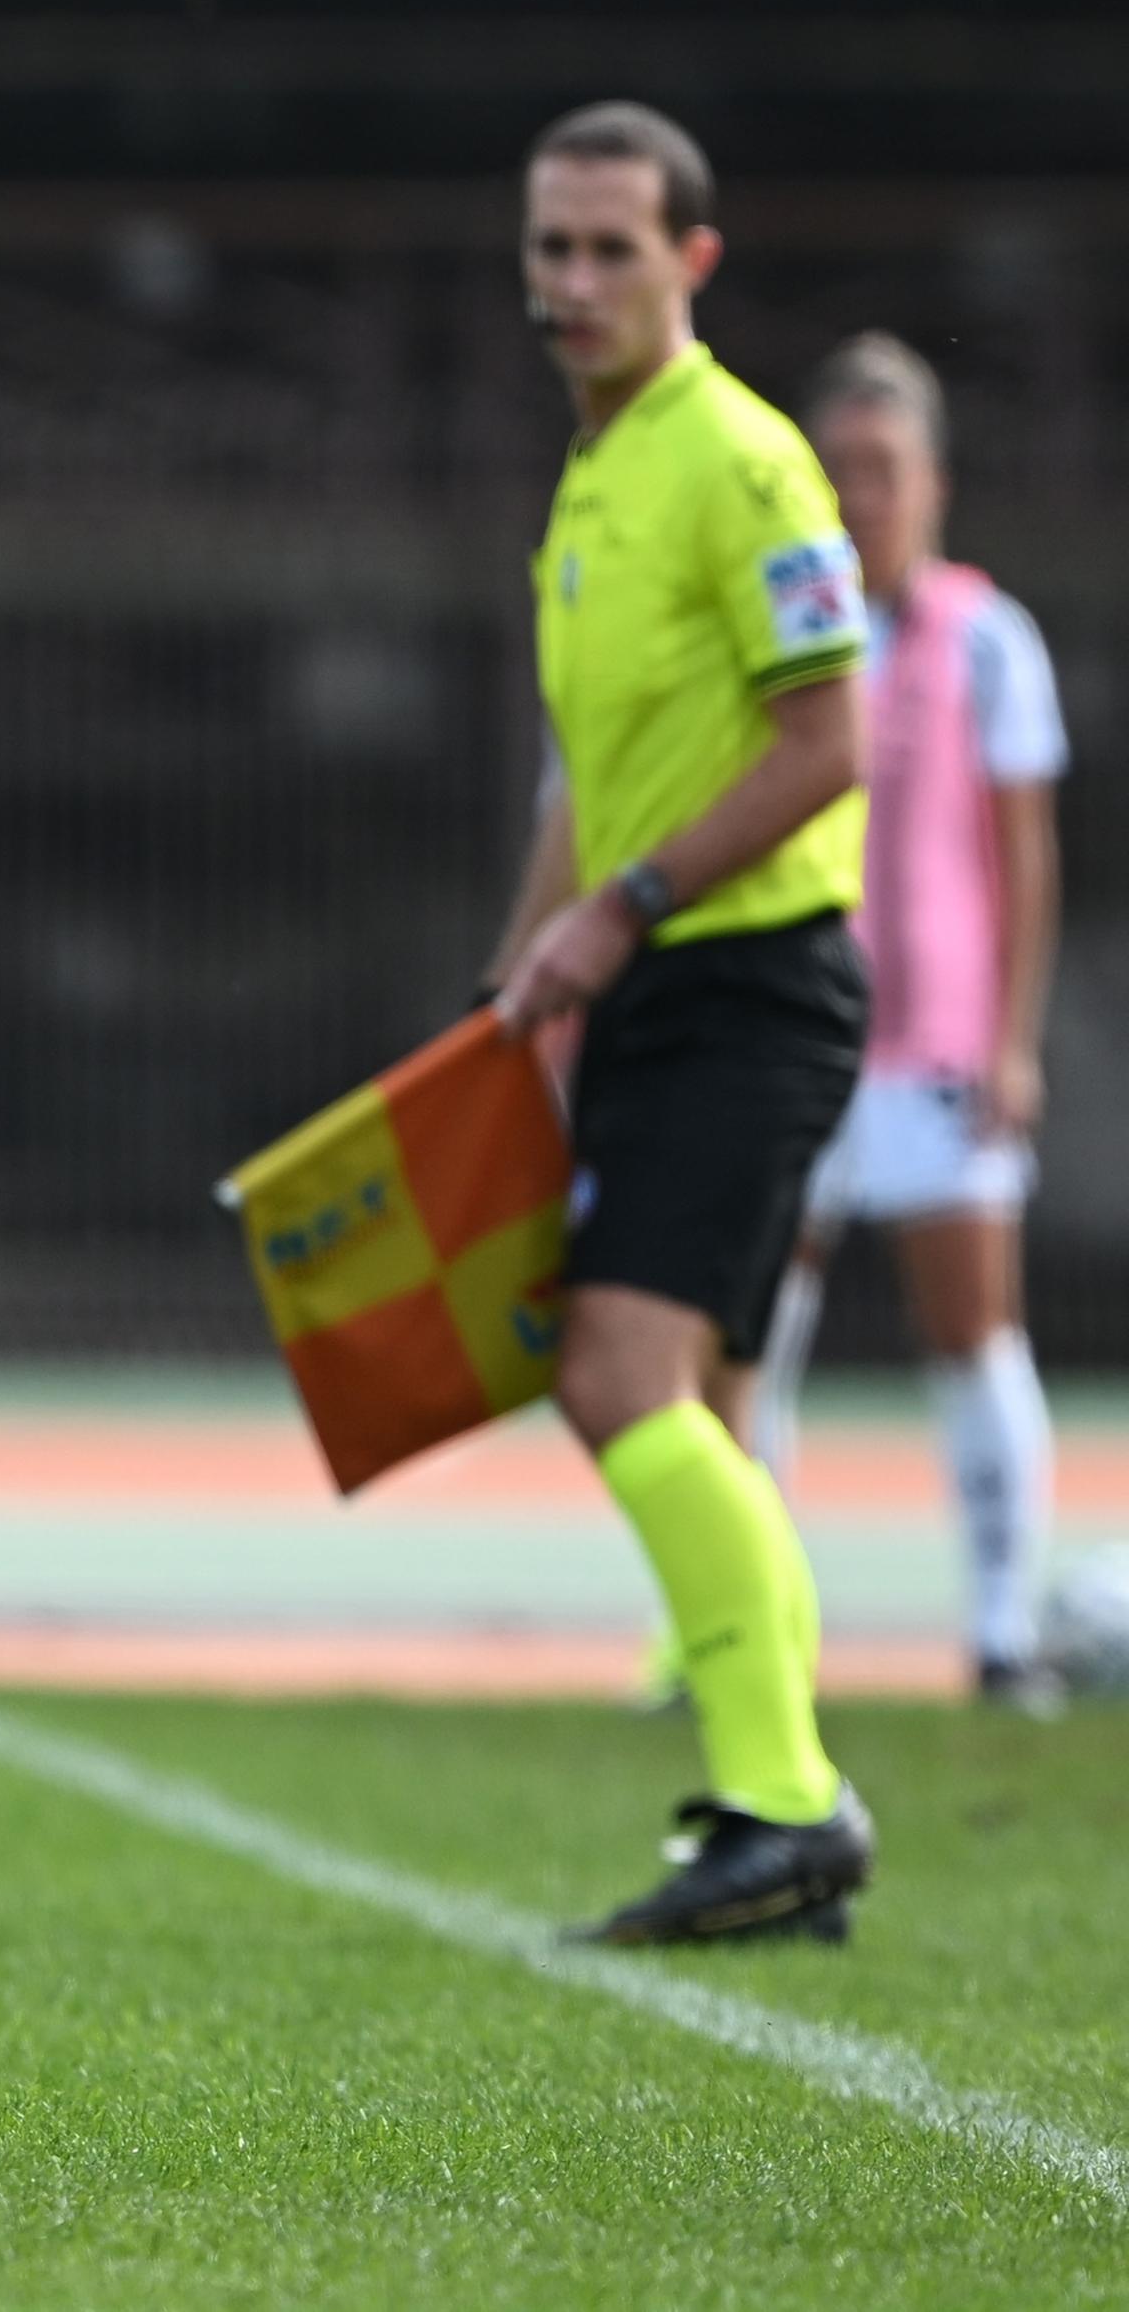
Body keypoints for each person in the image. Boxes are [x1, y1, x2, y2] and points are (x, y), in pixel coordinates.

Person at [485, 102, 877, 1945]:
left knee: (617, 1377)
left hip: (752, 978)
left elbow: (832, 741)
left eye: (609, 250)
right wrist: (519, 971)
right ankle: (776, 1794)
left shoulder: (743, 460)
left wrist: (619, 909)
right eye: (549, 248)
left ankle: (790, 1800)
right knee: (689, 1396)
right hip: (661, 982)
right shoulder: (598, 472)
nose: (571, 282)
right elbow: (597, 768)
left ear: (691, 261)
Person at [748, 333, 1069, 1716]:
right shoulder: (778, 627)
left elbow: (1023, 855)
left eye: (883, 467)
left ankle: (1002, 1631)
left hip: (937, 1045)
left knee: (974, 1333)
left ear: (933, 479)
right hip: (797, 1039)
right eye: (838, 469)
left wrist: (1011, 1037)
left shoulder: (988, 640)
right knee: (752, 1335)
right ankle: (753, 1629)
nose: (860, 495)